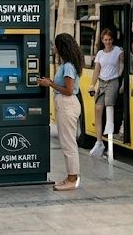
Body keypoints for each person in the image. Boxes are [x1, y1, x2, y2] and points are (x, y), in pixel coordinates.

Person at [38, 34, 84, 191]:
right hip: (65, 105)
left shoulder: (68, 66)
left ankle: (72, 179)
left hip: (67, 105)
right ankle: (70, 176)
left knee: (68, 143)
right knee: (66, 142)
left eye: (56, 46)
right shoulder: (67, 64)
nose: (54, 49)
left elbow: (69, 90)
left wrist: (50, 83)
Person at [88, 28, 124, 158]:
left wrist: (119, 78)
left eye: (109, 39)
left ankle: (110, 146)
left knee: (109, 111)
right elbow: (96, 70)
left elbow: (122, 65)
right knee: (98, 110)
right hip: (102, 83)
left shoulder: (118, 51)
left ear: (112, 40)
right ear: (102, 40)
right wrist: (92, 85)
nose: (107, 42)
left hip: (112, 82)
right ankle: (99, 142)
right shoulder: (100, 54)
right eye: (105, 40)